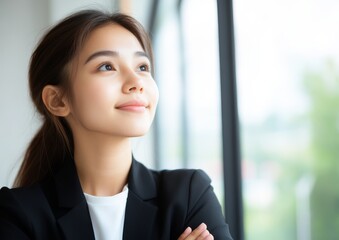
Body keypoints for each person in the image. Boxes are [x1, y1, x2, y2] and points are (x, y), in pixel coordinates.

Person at [0, 9, 233, 240]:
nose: (136, 82)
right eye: (106, 66)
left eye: (142, 67)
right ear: (58, 100)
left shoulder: (189, 193)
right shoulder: (17, 212)